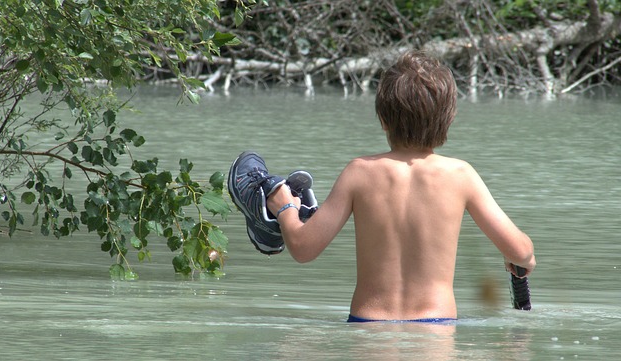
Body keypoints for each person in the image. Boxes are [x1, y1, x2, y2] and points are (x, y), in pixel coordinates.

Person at [229, 50, 536, 323]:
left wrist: (285, 208)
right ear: (449, 119)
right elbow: (521, 251)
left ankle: (274, 208)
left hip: (368, 327)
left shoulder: (360, 173)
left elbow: (303, 248)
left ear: (382, 118)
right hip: (437, 332)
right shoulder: (460, 175)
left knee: (287, 208)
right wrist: (523, 260)